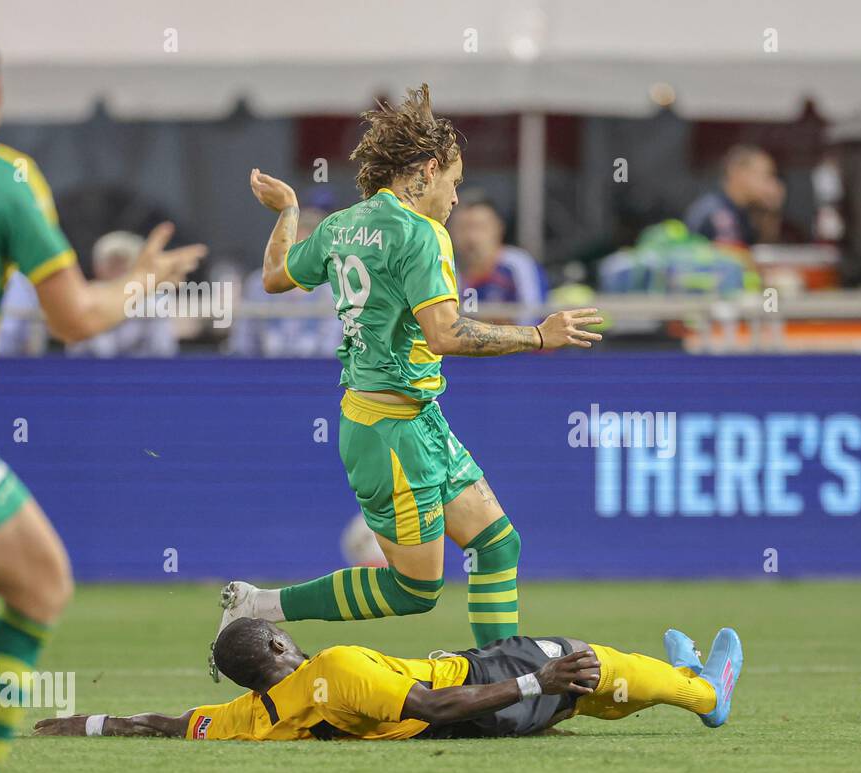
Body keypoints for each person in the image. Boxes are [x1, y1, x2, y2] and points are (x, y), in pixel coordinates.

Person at [231, 85, 602, 650]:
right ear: (427, 171)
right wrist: (537, 335)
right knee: (415, 591)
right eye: (453, 182)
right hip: (390, 432)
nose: (455, 198)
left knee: (498, 543)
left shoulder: (341, 225)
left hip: (412, 420)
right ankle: (257, 606)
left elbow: (277, 275)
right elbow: (446, 332)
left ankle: (500, 675)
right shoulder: (421, 233)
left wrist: (287, 212)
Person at [0, 21, 205, 773]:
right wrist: (142, 280)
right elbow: (74, 316)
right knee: (40, 587)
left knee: (36, 577)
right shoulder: (3, 178)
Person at [33, 618, 743, 742]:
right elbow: (436, 705)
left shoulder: (249, 718)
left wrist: (76, 723)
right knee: (584, 662)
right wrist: (538, 680)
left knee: (581, 700)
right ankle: (707, 693)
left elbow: (155, 723)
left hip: (466, 707)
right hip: (475, 691)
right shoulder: (334, 669)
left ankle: (678, 673)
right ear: (279, 643)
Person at [230, 205, 340, 356]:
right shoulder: (259, 284)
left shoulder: (334, 288)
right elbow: (242, 346)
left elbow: (330, 351)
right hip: (263, 375)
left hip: (316, 376)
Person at [68, 231, 179, 357]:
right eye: (111, 265)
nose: (117, 272)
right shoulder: (84, 298)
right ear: (97, 268)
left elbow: (163, 349)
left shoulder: (155, 300)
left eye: (123, 265)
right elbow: (77, 352)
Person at [450, 195, 548, 324]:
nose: (471, 237)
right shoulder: (447, 268)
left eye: (480, 227)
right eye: (463, 228)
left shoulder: (518, 265)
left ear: (499, 228)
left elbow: (534, 317)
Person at [684, 144, 782, 249]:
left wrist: (772, 213)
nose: (772, 184)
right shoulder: (718, 212)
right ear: (738, 173)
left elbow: (757, 252)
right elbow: (736, 260)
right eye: (765, 176)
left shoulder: (742, 211)